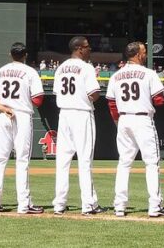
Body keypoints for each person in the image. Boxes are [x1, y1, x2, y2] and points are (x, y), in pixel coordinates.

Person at [106, 41, 164, 218]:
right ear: (136, 54)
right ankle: (155, 206)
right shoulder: (149, 73)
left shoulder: (116, 76)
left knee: (124, 163)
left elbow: (112, 104)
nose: (145, 54)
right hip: (142, 119)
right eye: (143, 51)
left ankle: (119, 205)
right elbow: (159, 100)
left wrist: (118, 122)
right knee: (151, 163)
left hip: (124, 119)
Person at [0, 42, 44, 214]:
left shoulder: (0, 71)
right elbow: (38, 100)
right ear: (25, 55)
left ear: (10, 54)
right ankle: (23, 204)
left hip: (4, 114)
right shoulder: (30, 72)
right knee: (22, 160)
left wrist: (5, 108)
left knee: (0, 160)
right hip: (22, 115)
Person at [52, 36, 104, 215]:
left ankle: (59, 204)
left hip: (64, 114)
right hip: (81, 114)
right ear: (80, 49)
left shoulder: (60, 68)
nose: (90, 49)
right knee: (84, 160)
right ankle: (89, 204)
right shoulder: (86, 67)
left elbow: (57, 92)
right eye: (87, 47)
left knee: (63, 161)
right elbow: (94, 94)